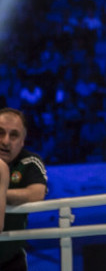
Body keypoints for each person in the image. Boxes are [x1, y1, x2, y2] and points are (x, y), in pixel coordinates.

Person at [0, 108, 48, 271]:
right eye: (0, 133)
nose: (5, 141)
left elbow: (38, 192)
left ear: (22, 140)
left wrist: (2, 195)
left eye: (13, 135)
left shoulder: (30, 162)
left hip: (11, 258)